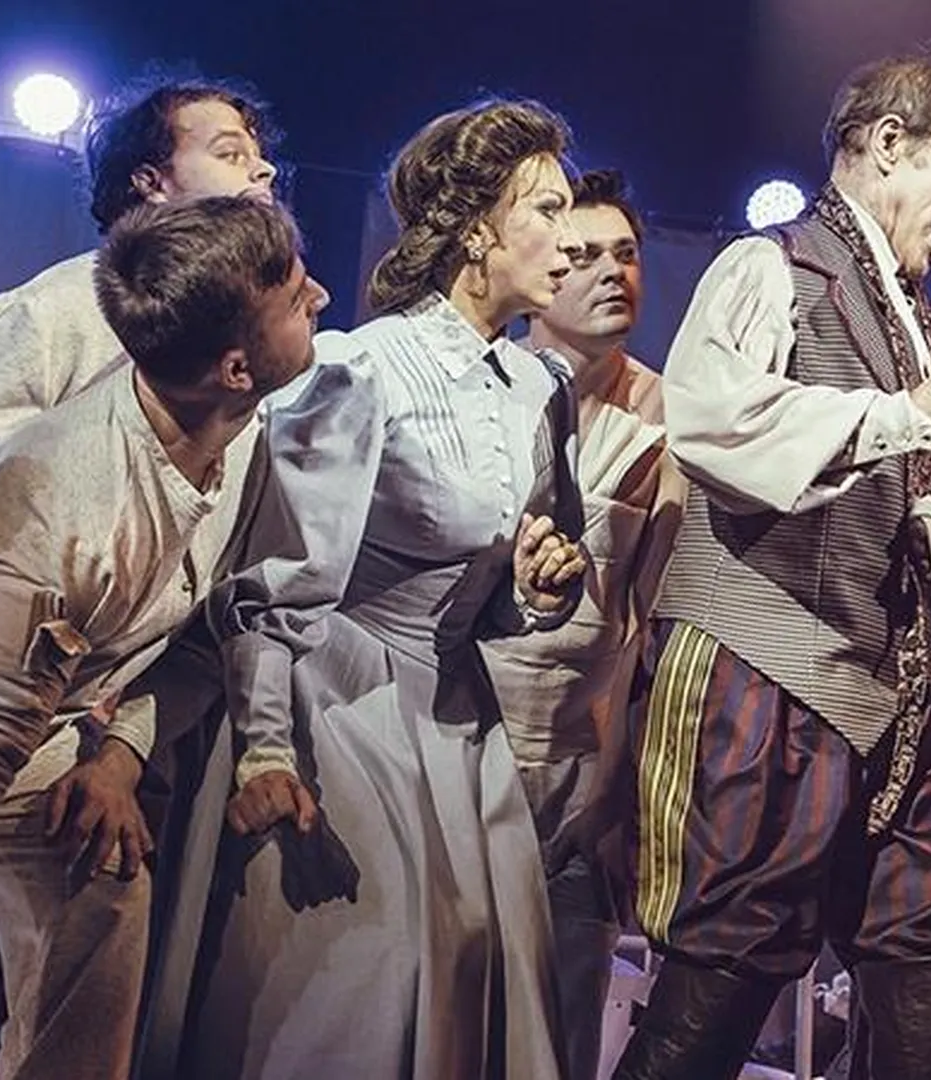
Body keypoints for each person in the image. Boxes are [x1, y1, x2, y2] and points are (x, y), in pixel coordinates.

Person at [618, 52, 931, 1080]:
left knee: (928, 939)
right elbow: (712, 424)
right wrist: (911, 412)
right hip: (766, 667)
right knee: (730, 956)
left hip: (899, 690)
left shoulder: (922, 323)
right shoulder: (771, 268)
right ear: (890, 144)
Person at [161, 98, 589, 1079]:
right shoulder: (360, 369)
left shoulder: (542, 388)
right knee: (361, 998)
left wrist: (537, 591)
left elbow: (505, 593)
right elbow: (271, 588)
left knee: (479, 973)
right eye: (547, 210)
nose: (569, 242)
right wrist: (267, 749)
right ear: (476, 229)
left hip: (461, 722)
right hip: (340, 714)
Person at [0, 196, 324, 1080]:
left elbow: (203, 633)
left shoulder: (238, 436)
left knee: (105, 880)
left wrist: (120, 754)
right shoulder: (63, 506)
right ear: (236, 367)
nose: (321, 296)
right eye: (295, 297)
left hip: (56, 724)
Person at [484, 167, 684, 1080]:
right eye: (587, 253)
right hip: (458, 750)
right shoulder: (483, 389)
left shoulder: (674, 418)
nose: (612, 272)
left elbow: (653, 624)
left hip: (576, 770)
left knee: (558, 1029)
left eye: (628, 254)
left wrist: (613, 792)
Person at [0, 75, 280, 454]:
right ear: (151, 183)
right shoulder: (56, 310)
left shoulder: (261, 327)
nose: (265, 169)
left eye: (259, 155)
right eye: (230, 154)